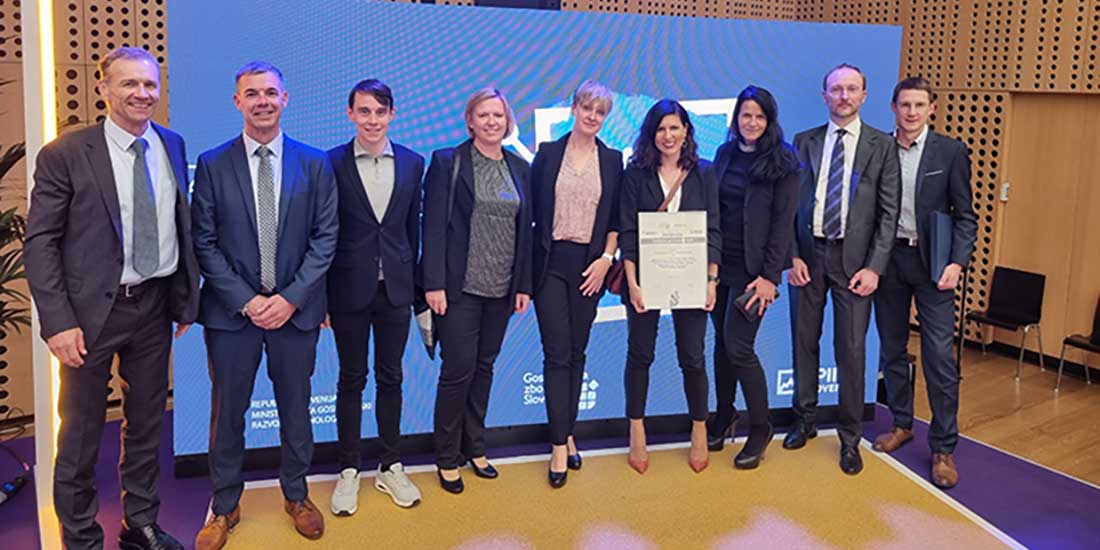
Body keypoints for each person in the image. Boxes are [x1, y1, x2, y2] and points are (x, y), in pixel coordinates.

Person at [24, 46, 199, 550]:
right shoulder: (66, 153)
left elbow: (179, 225)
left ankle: (139, 524)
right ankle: (80, 537)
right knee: (80, 433)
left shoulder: (172, 143)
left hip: (154, 306)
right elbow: (41, 242)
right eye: (129, 83)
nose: (142, 93)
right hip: (88, 315)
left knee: (145, 426)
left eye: (149, 84)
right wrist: (58, 322)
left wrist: (183, 298)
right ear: (103, 89)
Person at [191, 62, 338, 549]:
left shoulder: (314, 163)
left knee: (296, 409)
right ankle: (224, 504)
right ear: (237, 102)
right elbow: (204, 241)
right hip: (232, 315)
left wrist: (290, 299)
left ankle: (296, 495)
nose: (262, 101)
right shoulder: (213, 164)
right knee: (228, 413)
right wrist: (249, 300)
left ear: (285, 99)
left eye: (270, 92)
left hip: (296, 314)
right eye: (252, 93)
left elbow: (325, 237)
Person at [784, 63, 901, 476]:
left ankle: (850, 438)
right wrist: (792, 256)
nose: (844, 96)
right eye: (836, 89)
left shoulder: (882, 146)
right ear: (825, 96)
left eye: (851, 89)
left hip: (855, 266)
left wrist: (874, 268)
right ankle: (804, 420)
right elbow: (789, 206)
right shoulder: (804, 141)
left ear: (864, 96)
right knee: (804, 343)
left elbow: (888, 214)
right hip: (808, 257)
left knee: (851, 351)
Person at [420, 88, 533, 494]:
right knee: (457, 372)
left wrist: (523, 285)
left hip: (501, 290)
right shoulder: (447, 162)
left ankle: (475, 447)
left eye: (498, 116)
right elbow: (432, 227)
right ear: (470, 121)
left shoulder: (520, 168)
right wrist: (433, 283)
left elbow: (526, 231)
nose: (491, 122)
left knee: (484, 368)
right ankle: (447, 455)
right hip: (459, 289)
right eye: (483, 115)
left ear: (508, 121)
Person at [871, 76, 976, 489]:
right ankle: (901, 424)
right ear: (893, 108)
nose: (911, 112)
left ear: (932, 108)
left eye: (919, 105)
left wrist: (957, 263)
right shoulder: (879, 149)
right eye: (905, 105)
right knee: (892, 349)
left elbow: (965, 216)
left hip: (934, 265)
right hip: (889, 260)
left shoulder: (950, 152)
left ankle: (943, 447)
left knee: (938, 356)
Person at [326, 79, 425, 514]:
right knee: (351, 379)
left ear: (392, 115)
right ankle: (349, 469)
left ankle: (390, 465)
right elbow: (324, 232)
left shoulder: (413, 162)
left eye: (380, 112)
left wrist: (416, 290)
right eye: (364, 111)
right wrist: (322, 298)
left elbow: (412, 231)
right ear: (350, 113)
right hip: (347, 290)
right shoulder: (331, 162)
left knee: (392, 378)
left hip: (396, 291)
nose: (372, 120)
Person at [619, 99, 721, 474]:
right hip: (645, 278)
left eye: (674, 127)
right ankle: (637, 430)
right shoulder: (635, 173)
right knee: (640, 354)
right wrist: (632, 284)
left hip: (692, 277)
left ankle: (699, 428)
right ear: (651, 133)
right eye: (661, 128)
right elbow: (628, 231)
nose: (668, 135)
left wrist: (711, 280)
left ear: (686, 131)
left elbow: (713, 229)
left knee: (692, 356)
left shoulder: (704, 172)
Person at [530, 81, 623, 488]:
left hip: (592, 267)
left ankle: (568, 432)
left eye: (600, 112)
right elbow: (531, 211)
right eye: (587, 108)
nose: (592, 116)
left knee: (576, 352)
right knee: (556, 354)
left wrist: (606, 260)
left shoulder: (613, 160)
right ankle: (557, 445)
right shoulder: (548, 153)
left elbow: (616, 219)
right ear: (574, 109)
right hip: (551, 263)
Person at [707, 86, 800, 469]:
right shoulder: (724, 153)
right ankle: (724, 414)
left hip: (755, 275)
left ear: (769, 120)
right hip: (720, 267)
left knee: (739, 346)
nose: (752, 122)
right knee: (721, 345)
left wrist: (769, 278)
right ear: (737, 117)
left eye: (759, 116)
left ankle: (761, 428)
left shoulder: (784, 161)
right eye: (746, 115)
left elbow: (783, 224)